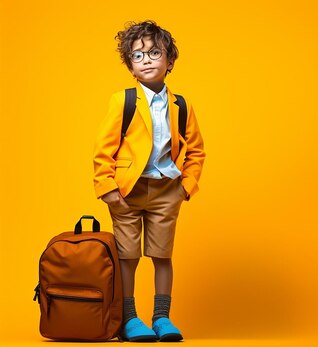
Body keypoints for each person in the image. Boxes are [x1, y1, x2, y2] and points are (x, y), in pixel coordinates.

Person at [93, 20, 205, 342]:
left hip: (166, 189)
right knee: (127, 256)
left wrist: (185, 187)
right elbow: (103, 149)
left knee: (162, 255)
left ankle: (162, 318)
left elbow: (196, 149)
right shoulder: (123, 101)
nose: (147, 60)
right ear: (130, 66)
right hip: (126, 191)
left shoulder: (181, 105)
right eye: (138, 55)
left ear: (170, 61)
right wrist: (108, 189)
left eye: (155, 52)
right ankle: (130, 319)